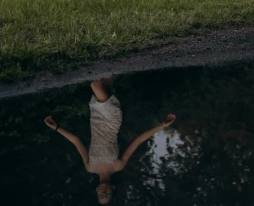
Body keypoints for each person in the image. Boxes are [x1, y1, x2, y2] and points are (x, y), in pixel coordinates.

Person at [44, 76, 175, 204]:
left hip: (95, 118)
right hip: (112, 122)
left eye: (101, 195)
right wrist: (162, 125)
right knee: (95, 85)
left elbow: (77, 142)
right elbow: (138, 140)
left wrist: (57, 127)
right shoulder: (117, 166)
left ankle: (112, 67)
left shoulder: (90, 167)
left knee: (105, 82)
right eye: (107, 195)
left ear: (96, 191)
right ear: (113, 188)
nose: (104, 192)